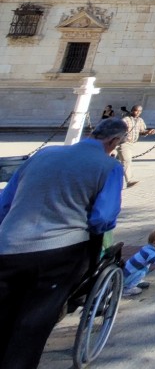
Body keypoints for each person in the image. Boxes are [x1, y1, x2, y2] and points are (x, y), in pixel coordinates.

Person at [0, 117, 128, 369]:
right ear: (114, 141)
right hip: (60, 254)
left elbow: (5, 203)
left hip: (8, 246)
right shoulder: (109, 166)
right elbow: (102, 218)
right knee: (33, 324)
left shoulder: (42, 155)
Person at [118, 105, 155, 188]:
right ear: (132, 110)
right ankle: (129, 181)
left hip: (132, 143)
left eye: (140, 111)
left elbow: (142, 131)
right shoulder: (126, 119)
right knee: (126, 161)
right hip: (123, 143)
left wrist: (149, 132)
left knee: (118, 161)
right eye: (136, 110)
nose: (138, 112)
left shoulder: (140, 120)